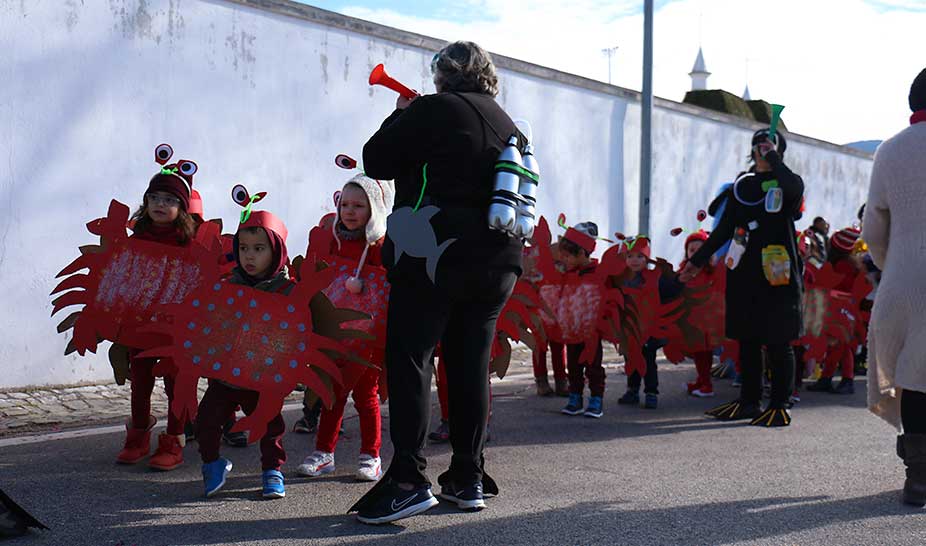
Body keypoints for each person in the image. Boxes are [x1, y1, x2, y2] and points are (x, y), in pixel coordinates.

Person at [349, 41, 524, 524]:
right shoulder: (505, 122)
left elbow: (376, 160)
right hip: (499, 259)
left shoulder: (432, 109)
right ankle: (468, 475)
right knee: (469, 365)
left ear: (443, 76)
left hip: (434, 256)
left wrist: (400, 113)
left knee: (412, 358)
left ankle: (407, 480)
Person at [681, 127, 804, 427]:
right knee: (747, 337)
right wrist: (696, 261)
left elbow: (793, 189)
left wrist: (774, 160)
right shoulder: (742, 186)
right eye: (759, 146)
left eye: (769, 146)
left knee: (778, 339)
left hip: (777, 272)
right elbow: (724, 228)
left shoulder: (787, 182)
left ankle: (779, 403)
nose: (762, 150)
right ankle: (749, 401)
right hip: (745, 271)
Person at [296, 174, 393, 482]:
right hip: (336, 333)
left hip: (367, 338)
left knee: (366, 395)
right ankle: (324, 453)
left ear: (374, 208)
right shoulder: (334, 242)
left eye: (358, 206)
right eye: (345, 205)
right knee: (332, 391)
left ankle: (371, 456)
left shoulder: (380, 246)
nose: (350, 211)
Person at [196, 200, 291, 499]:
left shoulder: (288, 292)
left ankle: (272, 470)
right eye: (244, 248)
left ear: (276, 251)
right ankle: (212, 464)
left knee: (269, 426)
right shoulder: (227, 287)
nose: (249, 255)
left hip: (263, 378)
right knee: (206, 421)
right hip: (226, 376)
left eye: (259, 249)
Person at [863, 67, 926, 506]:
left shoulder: (890, 150)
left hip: (904, 278)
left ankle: (919, 478)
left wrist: (895, 267)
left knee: (915, 375)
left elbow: (873, 227)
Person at [116, 154, 198, 470]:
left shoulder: (188, 245)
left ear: (182, 208)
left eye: (169, 200)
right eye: (154, 198)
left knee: (176, 385)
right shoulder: (136, 239)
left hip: (175, 331)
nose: (160, 204)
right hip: (140, 326)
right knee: (140, 381)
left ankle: (174, 439)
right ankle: (138, 434)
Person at [556, 222, 606, 419]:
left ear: (583, 253)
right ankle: (575, 397)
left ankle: (596, 399)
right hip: (572, 330)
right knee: (574, 366)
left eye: (568, 256)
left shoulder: (599, 273)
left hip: (591, 333)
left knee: (593, 366)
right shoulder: (568, 274)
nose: (564, 259)